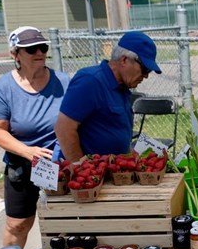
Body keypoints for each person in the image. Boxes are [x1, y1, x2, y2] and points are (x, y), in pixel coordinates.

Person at [0, 26, 70, 249]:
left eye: (42, 47)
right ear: (15, 54)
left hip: (59, 163)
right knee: (18, 224)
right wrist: (27, 151)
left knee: (66, 221)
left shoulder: (63, 82)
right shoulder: (4, 87)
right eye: (31, 49)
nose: (39, 52)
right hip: (22, 162)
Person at [54, 31, 161, 161]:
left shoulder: (122, 87)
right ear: (124, 60)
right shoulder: (90, 81)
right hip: (89, 176)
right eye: (145, 69)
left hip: (110, 173)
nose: (146, 76)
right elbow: (64, 129)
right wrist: (81, 168)